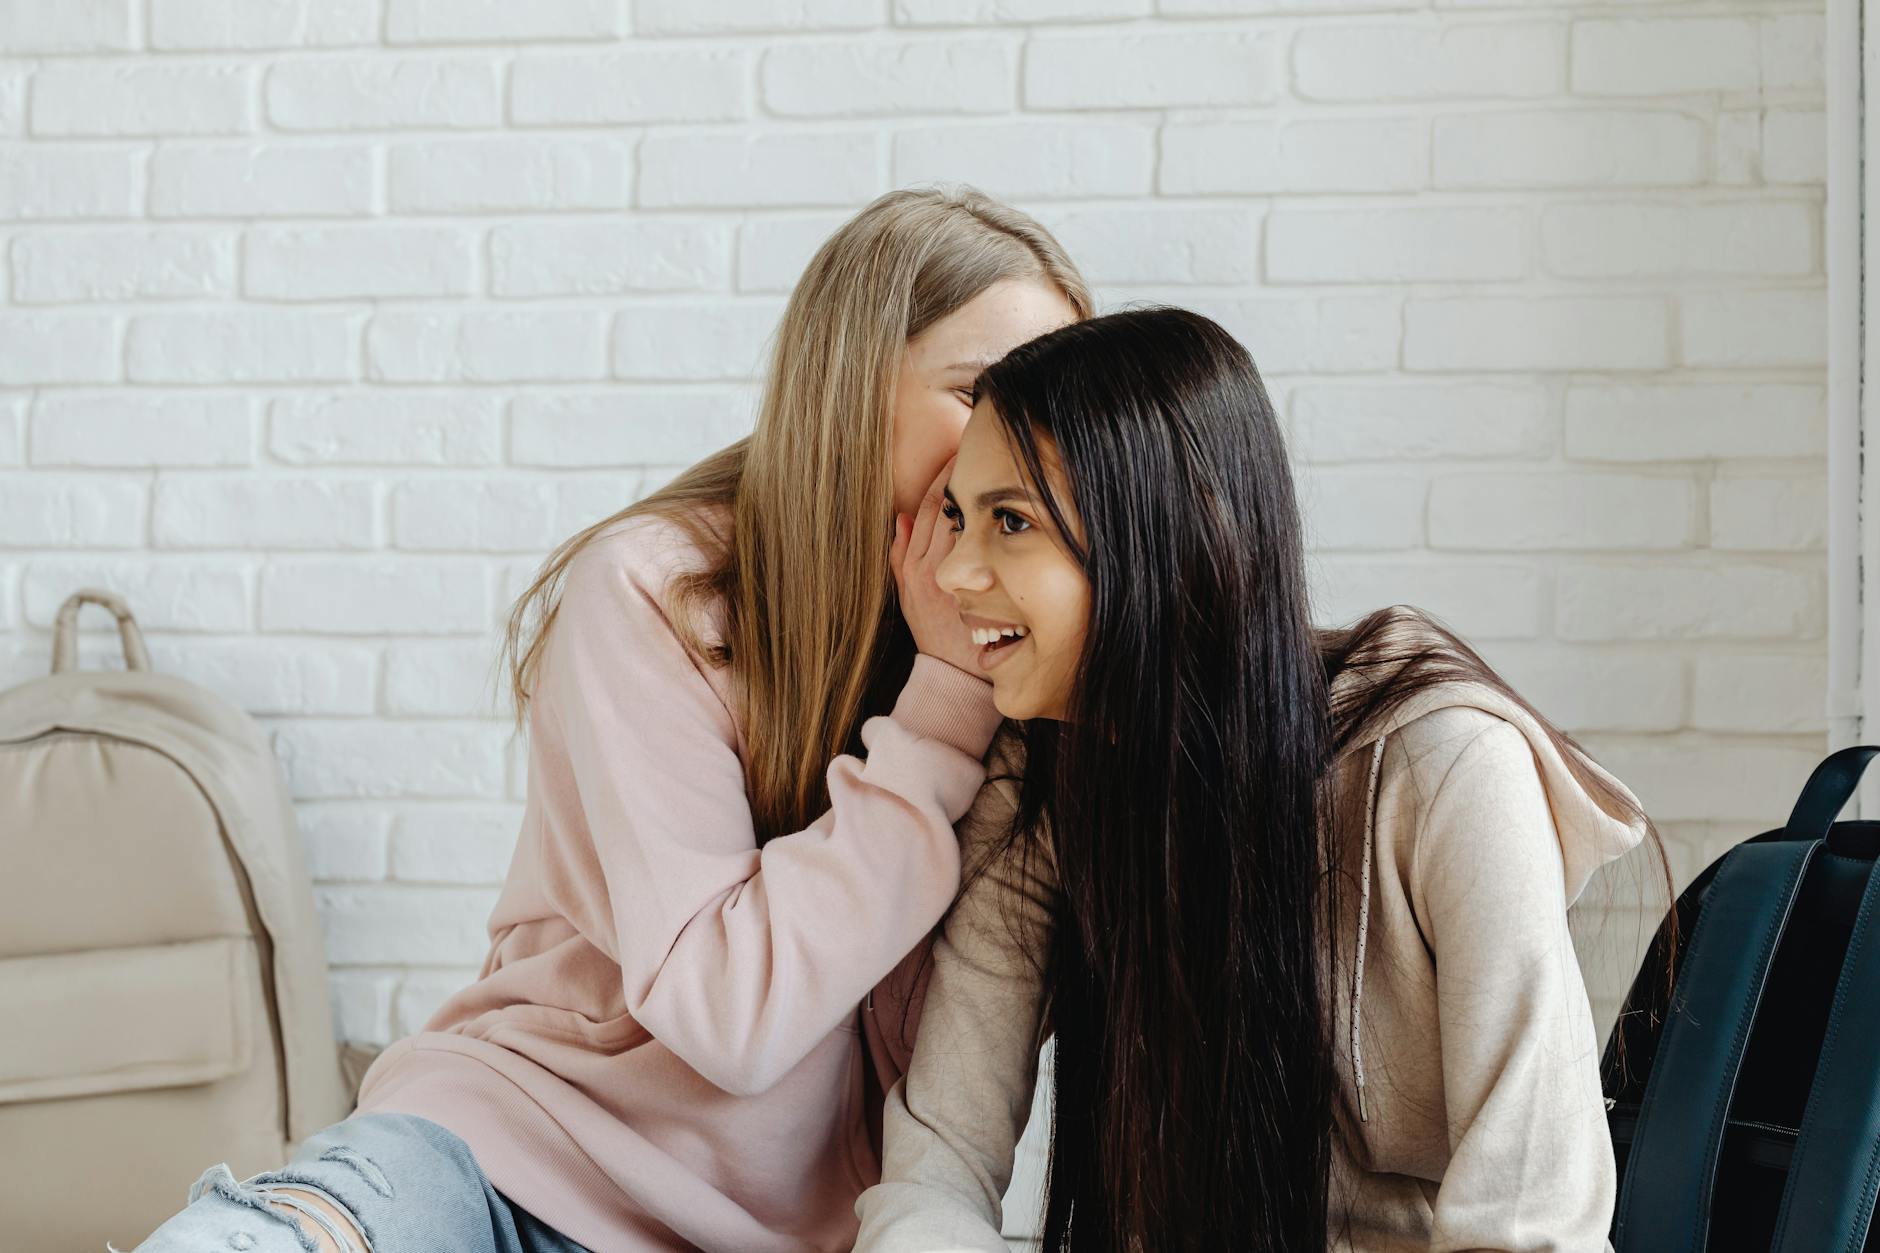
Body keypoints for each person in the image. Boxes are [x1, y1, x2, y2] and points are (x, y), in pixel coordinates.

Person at [126, 187, 1090, 1253]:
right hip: (508, 1151)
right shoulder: (659, 588)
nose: (1025, 444)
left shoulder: (1022, 668)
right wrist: (941, 712)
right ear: (855, 387)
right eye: (981, 391)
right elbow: (732, 1015)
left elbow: (950, 1073)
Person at [851, 306, 1670, 1252]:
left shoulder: (1442, 767)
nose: (954, 571)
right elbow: (936, 1163)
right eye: (958, 516)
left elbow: (1534, 1230)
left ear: (1169, 534)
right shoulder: (1044, 784)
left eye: (1010, 521)